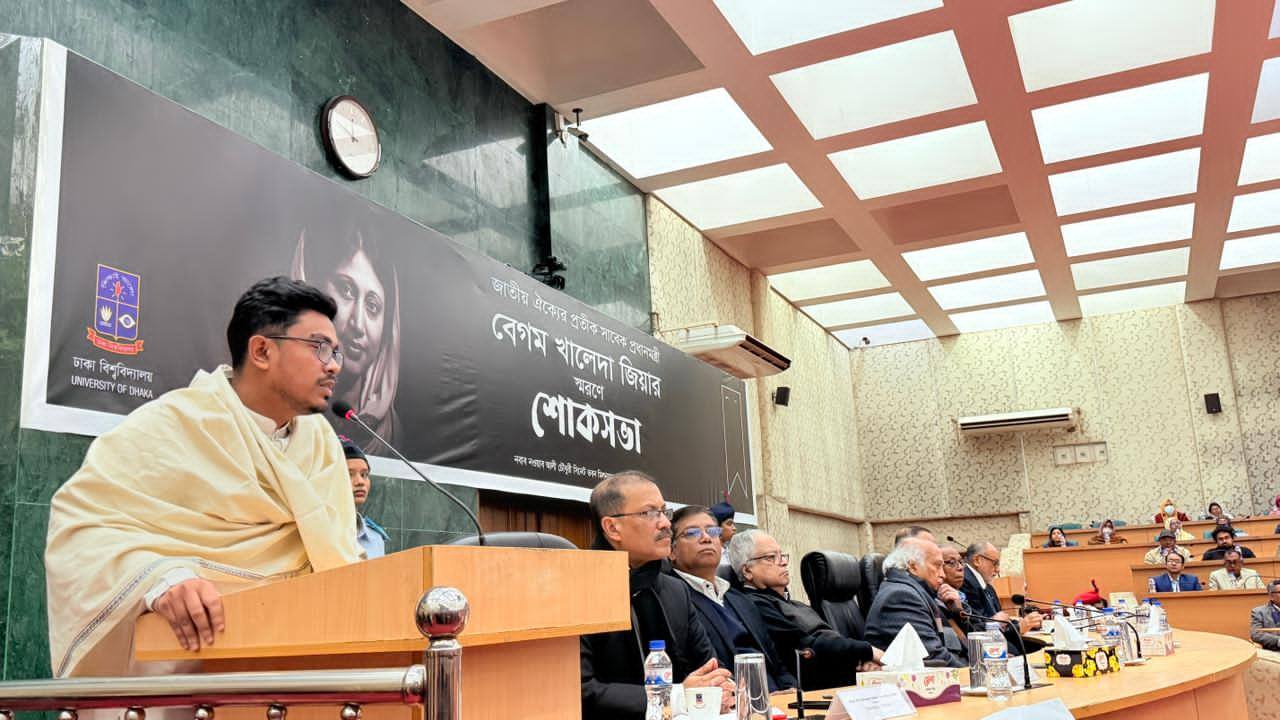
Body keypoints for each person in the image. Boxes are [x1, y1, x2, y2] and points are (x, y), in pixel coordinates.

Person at [45, 277, 363, 678]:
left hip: (302, 662)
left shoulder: (322, 444)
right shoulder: (172, 425)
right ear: (262, 351)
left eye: (336, 352)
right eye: (319, 348)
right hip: (188, 666)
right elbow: (81, 529)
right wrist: (162, 579)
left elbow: (339, 557)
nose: (333, 365)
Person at [580, 472, 733, 720]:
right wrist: (676, 697)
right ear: (612, 528)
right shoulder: (576, 589)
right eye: (650, 513)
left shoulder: (676, 591)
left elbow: (710, 668)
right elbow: (580, 691)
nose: (665, 524)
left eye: (664, 512)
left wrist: (719, 688)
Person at [292, 223, 401, 451]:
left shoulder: (388, 434)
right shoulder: (277, 407)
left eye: (373, 306)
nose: (358, 324)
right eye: (346, 290)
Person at [729, 530, 882, 690]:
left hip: (848, 677)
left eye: (782, 555)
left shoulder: (795, 604)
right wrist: (867, 652)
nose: (783, 562)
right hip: (818, 690)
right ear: (747, 571)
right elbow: (807, 647)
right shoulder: (754, 605)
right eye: (770, 557)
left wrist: (862, 662)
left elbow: (830, 639)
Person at [668, 506, 795, 691]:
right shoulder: (672, 601)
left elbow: (777, 663)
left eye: (713, 531)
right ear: (671, 551)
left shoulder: (740, 599)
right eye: (692, 533)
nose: (706, 538)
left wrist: (790, 692)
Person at [865, 538, 966, 668]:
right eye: (937, 565)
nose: (943, 575)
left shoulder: (916, 592)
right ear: (913, 566)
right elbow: (933, 656)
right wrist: (973, 674)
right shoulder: (901, 596)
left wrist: (958, 613)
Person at [959, 542, 1041, 634]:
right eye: (995, 563)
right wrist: (1019, 627)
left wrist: (1026, 622)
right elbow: (978, 629)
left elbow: (1001, 620)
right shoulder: (965, 582)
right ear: (977, 560)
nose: (998, 570)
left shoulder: (988, 587)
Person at [340, 436, 389, 558]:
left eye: (364, 474)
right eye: (349, 474)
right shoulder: (312, 535)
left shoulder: (375, 538)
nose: (360, 482)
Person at [1249, 580, 1280, 651]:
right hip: (1273, 650)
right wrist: (1278, 640)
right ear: (1271, 596)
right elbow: (1256, 634)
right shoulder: (1259, 612)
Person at [709, 499, 735, 567]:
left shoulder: (729, 552)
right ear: (716, 527)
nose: (734, 528)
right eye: (729, 524)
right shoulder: (710, 555)